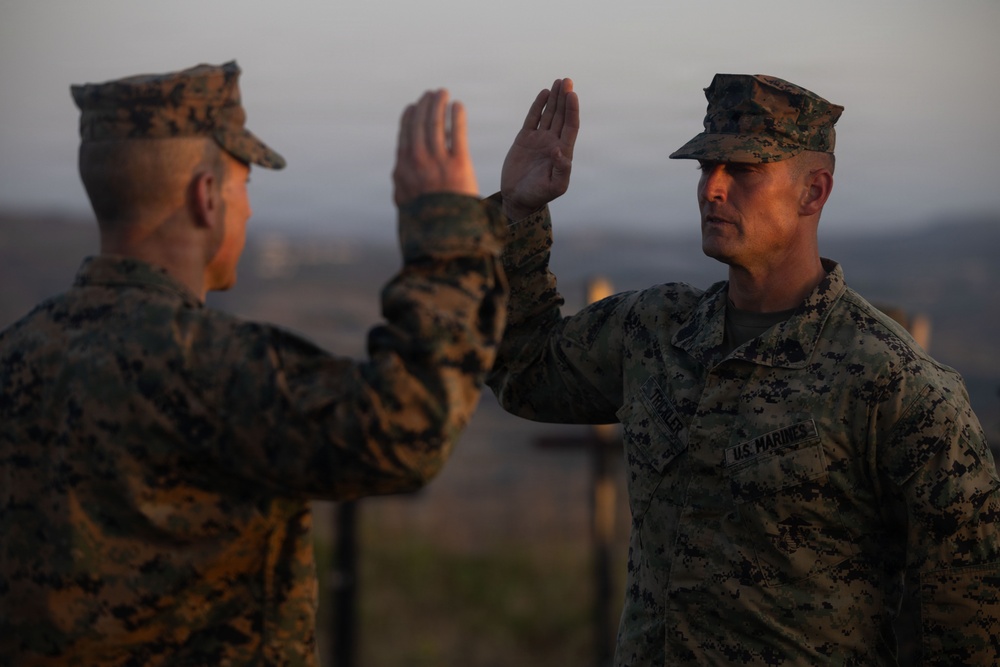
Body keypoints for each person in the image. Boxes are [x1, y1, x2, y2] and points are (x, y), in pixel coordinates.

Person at [0, 61, 507, 665]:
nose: (248, 211)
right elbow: (407, 428)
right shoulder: (209, 365)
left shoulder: (15, 353)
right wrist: (447, 231)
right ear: (206, 197)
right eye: (244, 185)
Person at [488, 74, 1000, 665]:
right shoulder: (654, 331)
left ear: (813, 192)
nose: (712, 188)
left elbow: (967, 623)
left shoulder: (895, 384)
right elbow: (524, 371)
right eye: (707, 167)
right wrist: (518, 214)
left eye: (743, 170)